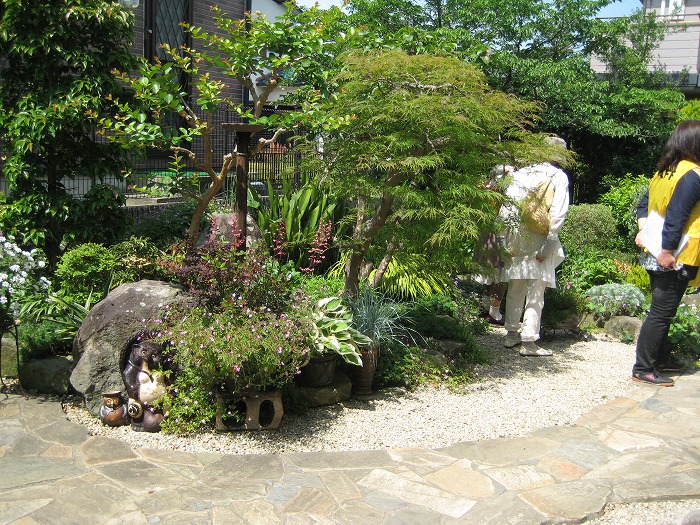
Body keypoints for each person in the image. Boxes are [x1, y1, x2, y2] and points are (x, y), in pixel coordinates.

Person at [632, 120, 700, 386]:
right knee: (660, 312)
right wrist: (668, 251)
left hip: (655, 247)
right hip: (675, 254)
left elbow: (644, 205)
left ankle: (659, 358)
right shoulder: (691, 175)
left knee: (663, 311)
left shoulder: (664, 172)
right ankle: (643, 368)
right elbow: (677, 216)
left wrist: (643, 231)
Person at [498, 137, 570, 356]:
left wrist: (503, 240)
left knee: (516, 284)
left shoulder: (520, 174)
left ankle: (511, 334)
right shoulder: (558, 177)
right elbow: (558, 213)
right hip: (539, 234)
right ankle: (528, 341)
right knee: (536, 289)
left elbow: (505, 209)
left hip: (515, 233)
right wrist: (549, 242)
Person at [474, 164, 515, 325]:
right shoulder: (502, 191)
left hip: (483, 232)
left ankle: (485, 308)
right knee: (500, 273)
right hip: (498, 233)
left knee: (488, 272)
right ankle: (494, 312)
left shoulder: (483, 188)